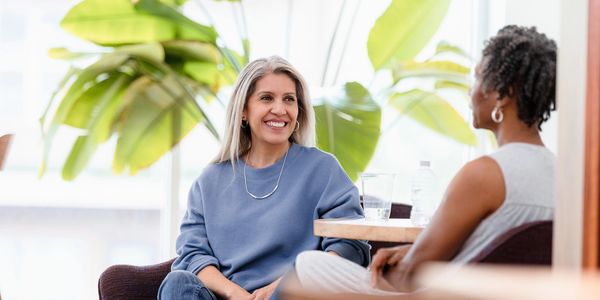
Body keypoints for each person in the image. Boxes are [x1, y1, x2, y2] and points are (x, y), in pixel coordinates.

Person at [294, 25, 557, 294]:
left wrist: (400, 263)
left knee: (310, 263)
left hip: (446, 295)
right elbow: (499, 249)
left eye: (478, 78)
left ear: (504, 94)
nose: (471, 90)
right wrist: (409, 251)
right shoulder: (565, 174)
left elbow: (408, 275)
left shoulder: (486, 174)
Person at [158, 56, 370, 300]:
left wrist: (286, 285)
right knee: (177, 282)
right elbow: (192, 255)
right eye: (266, 98)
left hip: (295, 295)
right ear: (244, 112)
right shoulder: (210, 180)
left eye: (289, 99)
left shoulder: (323, 169)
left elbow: (350, 245)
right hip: (227, 297)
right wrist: (236, 294)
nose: (280, 109)